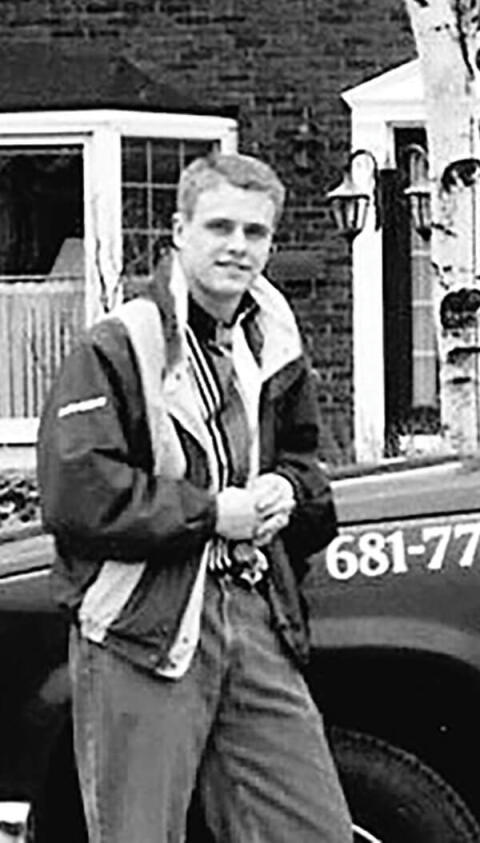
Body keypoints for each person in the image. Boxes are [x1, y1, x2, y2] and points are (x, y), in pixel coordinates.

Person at [37, 152, 351, 841]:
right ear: (179, 231)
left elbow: (308, 468)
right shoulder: (118, 344)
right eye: (219, 227)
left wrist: (286, 491)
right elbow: (76, 494)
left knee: (312, 827)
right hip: (141, 626)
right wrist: (213, 513)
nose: (238, 246)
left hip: (254, 610)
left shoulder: (274, 342)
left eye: (255, 232)